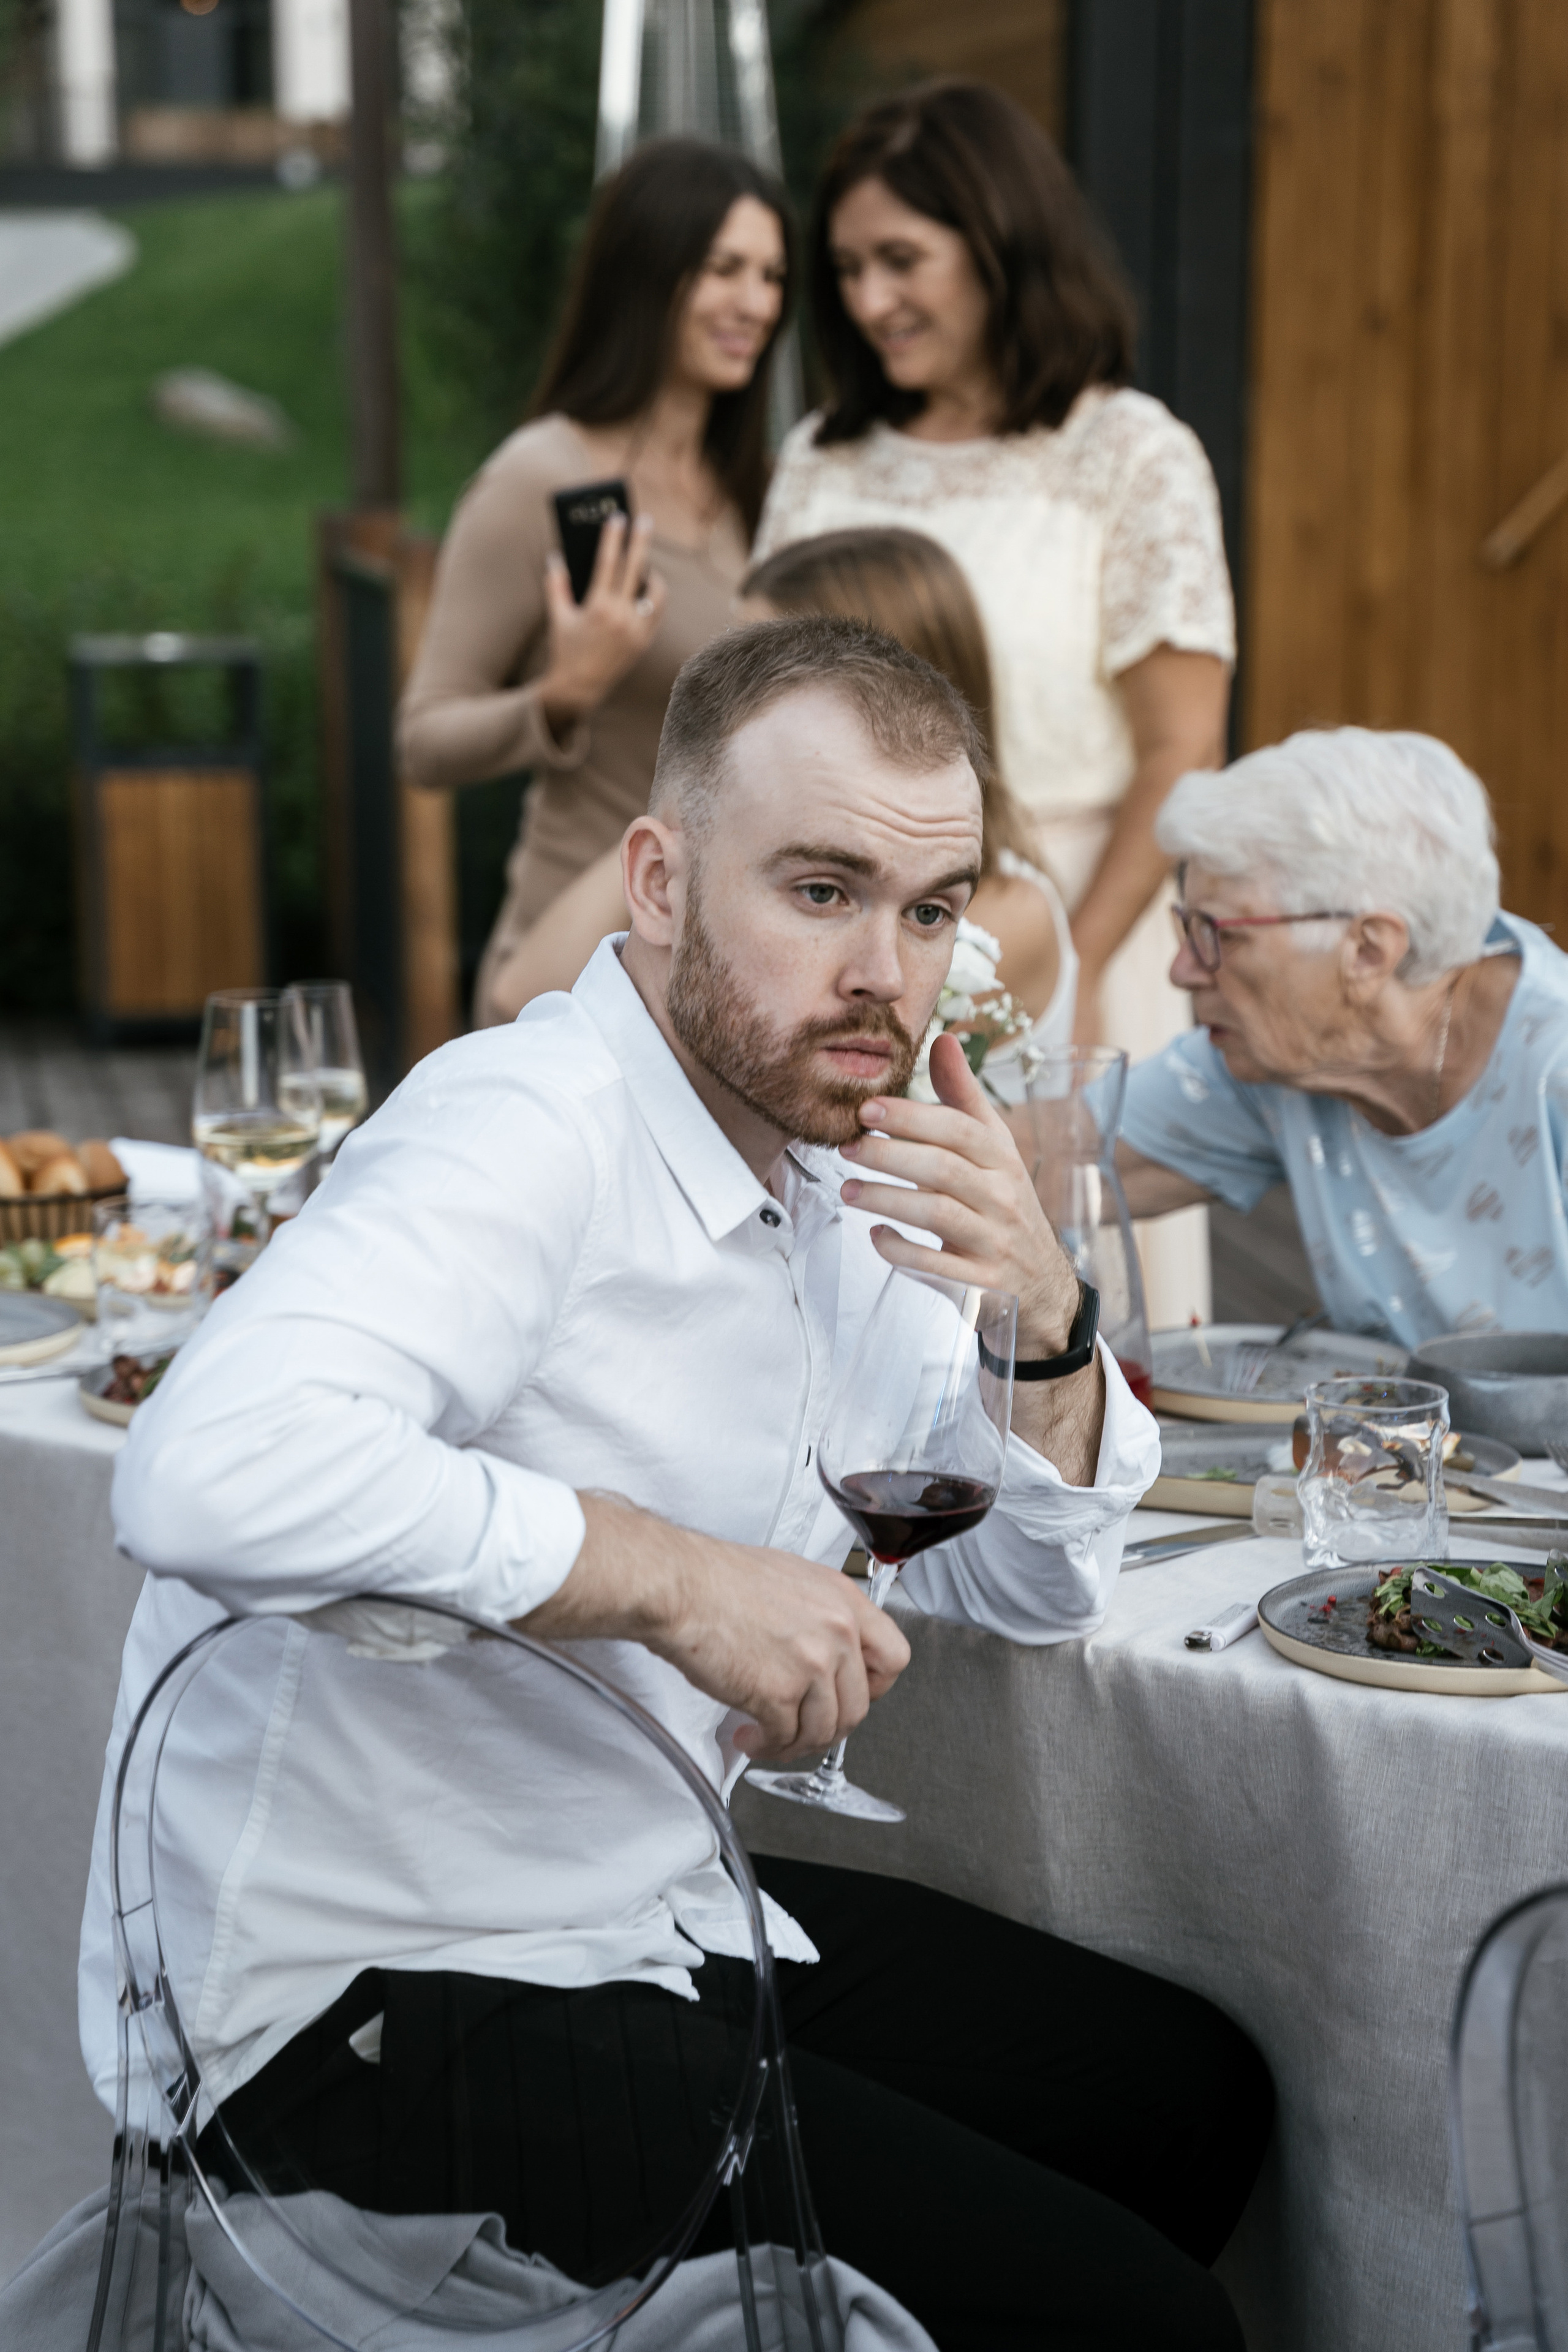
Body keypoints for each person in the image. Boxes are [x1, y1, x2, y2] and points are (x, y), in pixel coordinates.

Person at [89, 619, 1270, 2351]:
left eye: (931, 912)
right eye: (821, 890)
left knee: (1189, 2093)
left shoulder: (840, 1151)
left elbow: (1027, 1587)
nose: (889, 969)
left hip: (633, 1911)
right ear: (655, 878)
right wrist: (670, 1573)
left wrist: (1045, 1324)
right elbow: (206, 1470)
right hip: (335, 2003)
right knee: (1131, 2320)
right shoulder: (525, 1127)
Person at [753, 77, 1232, 1325]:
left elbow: (1180, 747)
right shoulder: (821, 457)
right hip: (836, 926)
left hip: (1072, 922)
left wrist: (1040, 959)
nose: (867, 300)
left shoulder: (1129, 454)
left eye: (901, 259)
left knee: (1044, 1310)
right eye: (848, 267)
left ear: (999, 244)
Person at [398, 137, 794, 1027]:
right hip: (573, 973)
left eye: (771, 276)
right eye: (724, 268)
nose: (756, 303)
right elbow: (423, 738)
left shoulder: (756, 493)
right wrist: (561, 696)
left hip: (723, 980)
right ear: (647, 275)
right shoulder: (549, 481)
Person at [492, 522, 1080, 1055]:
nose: (729, 690)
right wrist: (698, 799)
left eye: (761, 662)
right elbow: (517, 996)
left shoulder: (1005, 914)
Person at [1117, 726, 1568, 1348]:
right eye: (1186, 927)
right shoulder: (1281, 1055)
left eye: (1219, 933)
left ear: (1366, 949)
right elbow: (1052, 1160)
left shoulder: (1555, 1070)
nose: (1182, 969)